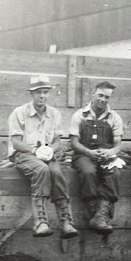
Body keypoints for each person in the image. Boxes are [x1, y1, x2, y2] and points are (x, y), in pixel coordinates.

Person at [8, 75, 78, 238]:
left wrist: (50, 150)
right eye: (38, 92)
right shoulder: (19, 113)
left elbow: (57, 141)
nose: (42, 96)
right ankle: (40, 222)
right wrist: (34, 151)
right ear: (32, 94)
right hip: (24, 154)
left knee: (57, 172)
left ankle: (66, 221)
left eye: (45, 92)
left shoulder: (54, 114)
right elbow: (16, 143)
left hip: (46, 155)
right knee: (41, 170)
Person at [69, 81, 124, 234]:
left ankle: (100, 215)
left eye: (107, 97)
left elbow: (118, 145)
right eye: (100, 95)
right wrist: (89, 152)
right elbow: (74, 142)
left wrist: (111, 152)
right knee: (88, 172)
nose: (103, 100)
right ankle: (95, 214)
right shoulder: (79, 115)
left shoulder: (114, 117)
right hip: (83, 154)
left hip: (105, 155)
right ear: (93, 93)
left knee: (114, 173)